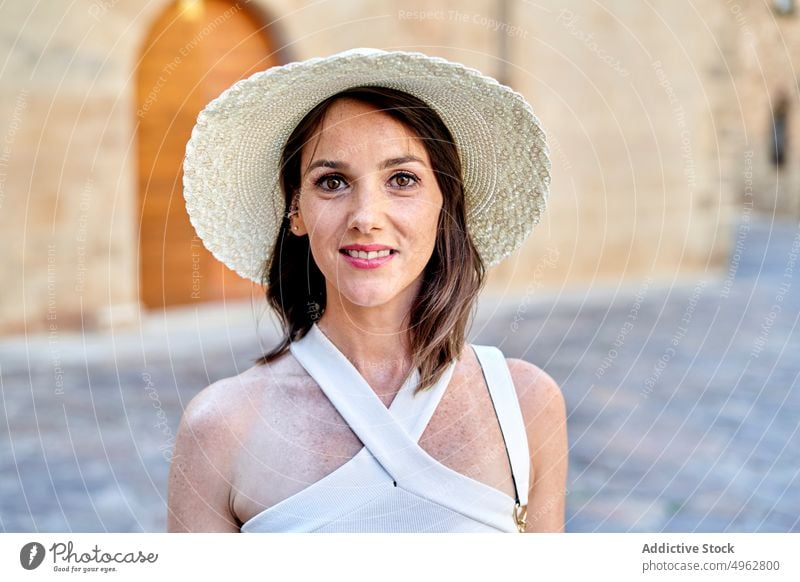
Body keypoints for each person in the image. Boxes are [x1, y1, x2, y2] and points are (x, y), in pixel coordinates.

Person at [168, 48, 567, 533]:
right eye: (332, 182)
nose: (365, 218)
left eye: (402, 179)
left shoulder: (526, 406)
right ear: (295, 211)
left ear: (444, 205)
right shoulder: (220, 428)